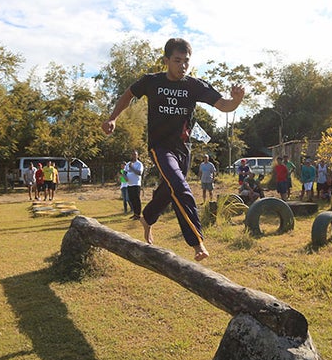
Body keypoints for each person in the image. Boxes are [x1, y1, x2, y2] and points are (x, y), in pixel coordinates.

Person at [101, 37, 245, 261]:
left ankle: (147, 218)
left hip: (182, 150)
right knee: (179, 186)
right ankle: (197, 242)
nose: (183, 66)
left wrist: (236, 101)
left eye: (186, 61)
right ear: (166, 60)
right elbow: (129, 93)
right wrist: (113, 119)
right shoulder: (152, 82)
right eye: (178, 61)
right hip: (160, 148)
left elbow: (223, 105)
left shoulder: (194, 85)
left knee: (168, 190)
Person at [124, 150, 144, 219]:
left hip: (136, 184)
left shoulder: (139, 164)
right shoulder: (128, 164)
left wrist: (132, 167)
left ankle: (138, 214)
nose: (134, 156)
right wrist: (125, 177)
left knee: (136, 199)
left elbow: (139, 173)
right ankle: (135, 213)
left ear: (137, 155)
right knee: (131, 199)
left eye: (135, 155)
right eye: (132, 154)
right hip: (129, 184)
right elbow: (124, 172)